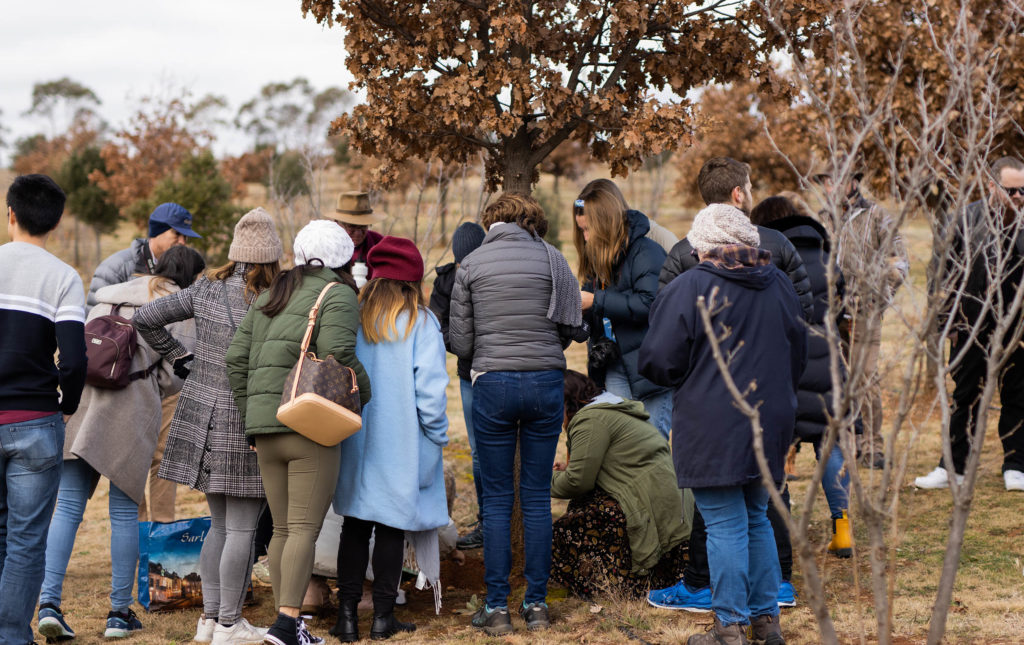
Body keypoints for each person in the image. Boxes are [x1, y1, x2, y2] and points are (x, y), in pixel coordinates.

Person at [648, 157, 813, 612]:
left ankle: (729, 624)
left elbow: (657, 361)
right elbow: (799, 344)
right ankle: (767, 622)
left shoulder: (689, 287)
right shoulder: (777, 282)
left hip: (712, 422)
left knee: (723, 523)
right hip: (771, 416)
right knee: (758, 517)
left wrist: (691, 379)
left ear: (703, 244)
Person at [37, 246, 205, 641]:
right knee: (124, 513)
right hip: (129, 411)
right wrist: (147, 387)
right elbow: (176, 375)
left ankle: (48, 603)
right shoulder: (176, 308)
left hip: (83, 406)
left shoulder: (110, 295)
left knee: (68, 507)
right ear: (190, 278)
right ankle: (118, 613)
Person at [135, 208, 282, 645]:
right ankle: (229, 624)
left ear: (236, 251)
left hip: (202, 414)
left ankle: (211, 622)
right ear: (272, 256)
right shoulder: (277, 296)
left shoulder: (206, 289)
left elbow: (144, 318)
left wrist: (181, 356)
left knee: (221, 526)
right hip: (246, 416)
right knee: (240, 528)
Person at [225, 219, 371, 645]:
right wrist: (368, 390)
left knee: (284, 530)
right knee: (304, 528)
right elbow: (338, 354)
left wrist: (253, 417)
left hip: (265, 429)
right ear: (344, 257)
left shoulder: (272, 293)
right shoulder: (338, 293)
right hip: (308, 423)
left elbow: (236, 359)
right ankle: (287, 626)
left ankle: (285, 624)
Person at [450, 193, 583, 636]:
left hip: (494, 385)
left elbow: (462, 343)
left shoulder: (471, 264)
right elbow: (570, 327)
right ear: (533, 221)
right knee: (537, 498)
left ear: (490, 222)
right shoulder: (555, 259)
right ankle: (538, 604)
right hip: (547, 383)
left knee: (497, 500)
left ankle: (496, 608)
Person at [331, 236, 449, 642]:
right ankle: (383, 617)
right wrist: (438, 436)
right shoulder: (420, 322)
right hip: (402, 444)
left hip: (354, 439)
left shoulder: (353, 316)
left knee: (355, 526)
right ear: (413, 283)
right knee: (392, 529)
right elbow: (431, 395)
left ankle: (346, 618)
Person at [0, 175, 87, 645]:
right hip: (35, 421)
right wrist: (65, 407)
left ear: (10, 213)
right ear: (54, 223)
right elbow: (74, 360)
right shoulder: (63, 277)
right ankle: (11, 635)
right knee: (26, 541)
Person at [750, 196, 854, 558]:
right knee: (831, 445)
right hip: (827, 363)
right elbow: (841, 308)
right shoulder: (828, 261)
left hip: (784, 364)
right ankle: (843, 529)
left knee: (776, 445)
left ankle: (780, 529)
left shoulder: (768, 259)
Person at [916, 156, 1024, 491]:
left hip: (1018, 328)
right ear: (992, 186)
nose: (1019, 196)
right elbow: (940, 274)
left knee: (1019, 395)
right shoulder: (964, 220)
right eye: (1012, 190)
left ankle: (1017, 466)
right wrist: (947, 321)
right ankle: (953, 467)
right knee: (964, 396)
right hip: (971, 324)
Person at [89, 201, 201, 523]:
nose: (183, 243)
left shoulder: (182, 271)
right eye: (178, 236)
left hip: (164, 376)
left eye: (186, 238)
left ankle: (163, 532)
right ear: (157, 233)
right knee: (129, 457)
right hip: (123, 379)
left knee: (164, 455)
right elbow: (92, 320)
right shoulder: (118, 266)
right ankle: (134, 532)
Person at [550, 370, 690, 599]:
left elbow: (577, 483)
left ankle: (616, 586)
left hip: (648, 503)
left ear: (565, 402)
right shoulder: (608, 409)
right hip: (666, 500)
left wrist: (541, 480)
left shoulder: (590, 420)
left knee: (567, 530)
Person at [817, 166, 908, 470]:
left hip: (864, 314)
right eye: (827, 181)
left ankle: (872, 447)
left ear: (855, 180)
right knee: (834, 380)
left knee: (864, 380)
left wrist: (877, 299)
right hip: (829, 315)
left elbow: (900, 263)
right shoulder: (820, 219)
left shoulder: (877, 216)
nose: (833, 186)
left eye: (839, 179)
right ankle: (847, 444)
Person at [573, 178, 673, 439]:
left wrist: (596, 301)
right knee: (621, 444)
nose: (585, 237)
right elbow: (594, 307)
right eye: (581, 230)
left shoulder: (647, 252)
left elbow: (649, 303)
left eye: (588, 229)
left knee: (652, 444)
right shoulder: (598, 259)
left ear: (605, 223)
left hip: (652, 367)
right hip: (615, 364)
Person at [659, 156, 814, 320]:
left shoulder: (680, 252)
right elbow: (802, 313)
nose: (751, 196)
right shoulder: (778, 242)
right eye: (750, 189)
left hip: (707, 344)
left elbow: (664, 316)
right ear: (738, 194)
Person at [428, 222, 487, 550]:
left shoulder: (493, 273)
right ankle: (484, 520)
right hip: (468, 374)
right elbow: (440, 324)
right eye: (463, 261)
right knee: (478, 452)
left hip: (498, 370)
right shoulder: (446, 280)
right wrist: (464, 345)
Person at [330, 191, 385, 285]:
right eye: (351, 226)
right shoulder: (327, 246)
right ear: (337, 223)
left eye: (363, 226)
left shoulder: (379, 243)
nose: (358, 233)